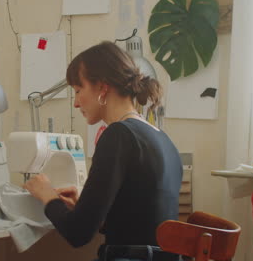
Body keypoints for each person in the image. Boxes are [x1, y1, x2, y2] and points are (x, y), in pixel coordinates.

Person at [24, 41, 183, 261]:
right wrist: (87, 207)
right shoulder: (161, 138)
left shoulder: (118, 135)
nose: (76, 104)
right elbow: (142, 219)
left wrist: (48, 196)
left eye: (79, 91)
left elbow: (77, 234)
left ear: (102, 87)